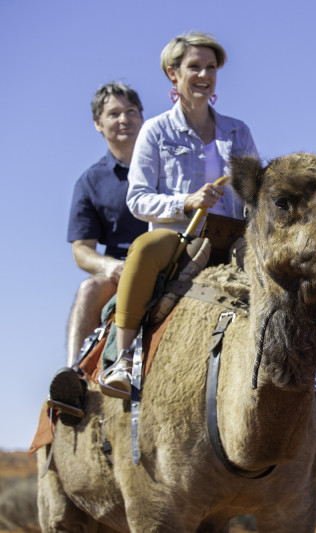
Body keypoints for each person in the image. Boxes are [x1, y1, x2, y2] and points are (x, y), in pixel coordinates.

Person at [98, 31, 256, 399]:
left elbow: (255, 193)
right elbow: (137, 199)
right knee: (144, 246)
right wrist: (187, 201)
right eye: (194, 67)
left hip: (233, 237)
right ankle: (123, 359)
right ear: (173, 73)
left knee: (289, 266)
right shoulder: (155, 131)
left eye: (211, 68)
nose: (204, 75)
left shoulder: (238, 131)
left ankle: (306, 387)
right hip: (180, 238)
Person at [47, 82, 147, 424]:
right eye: (114, 114)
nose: (124, 120)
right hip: (122, 269)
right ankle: (74, 383)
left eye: (131, 112)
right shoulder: (90, 182)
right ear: (98, 123)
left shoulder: (166, 164)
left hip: (178, 257)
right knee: (89, 288)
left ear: (142, 117)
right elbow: (82, 251)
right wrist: (110, 266)